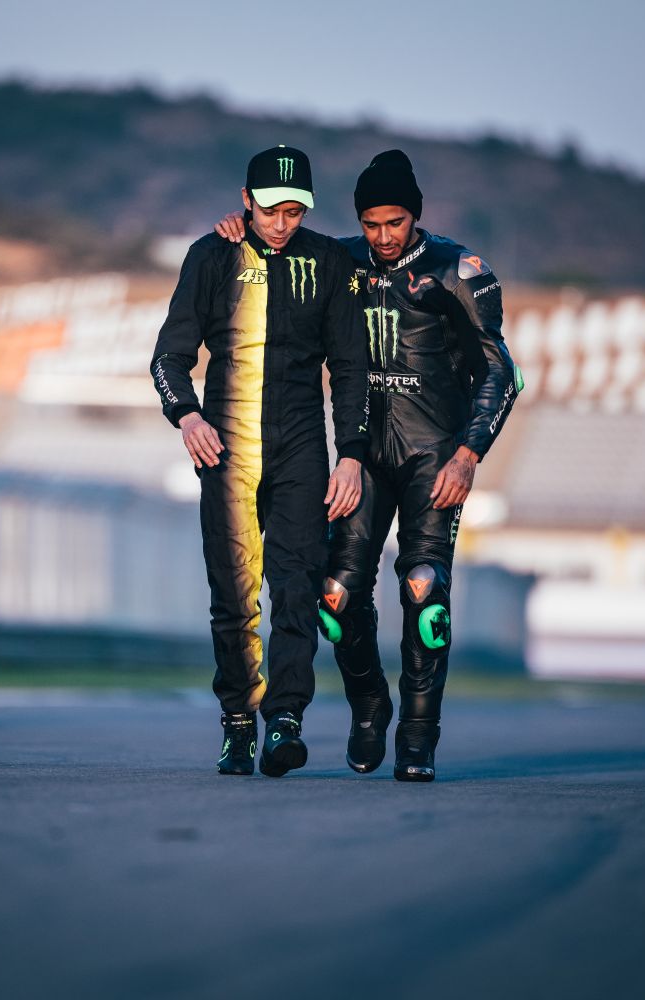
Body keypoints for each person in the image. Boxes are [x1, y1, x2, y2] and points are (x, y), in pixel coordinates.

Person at [215, 150, 523, 781]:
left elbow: (502, 372)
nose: (384, 237)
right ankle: (370, 703)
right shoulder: (341, 259)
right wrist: (237, 230)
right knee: (333, 597)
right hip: (363, 457)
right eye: (372, 224)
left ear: (416, 215)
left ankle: (418, 735)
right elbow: (277, 246)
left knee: (424, 589)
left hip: (435, 457)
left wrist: (469, 455)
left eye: (396, 223)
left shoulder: (459, 271)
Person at [151, 145, 370, 778]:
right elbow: (168, 357)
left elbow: (350, 367)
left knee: (297, 587)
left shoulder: (329, 260)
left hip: (302, 448)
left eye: (294, 211)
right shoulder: (211, 254)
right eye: (270, 210)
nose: (281, 223)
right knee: (234, 592)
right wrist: (187, 416)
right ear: (246, 201)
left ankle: (285, 721)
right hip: (227, 449)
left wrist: (351, 456)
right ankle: (238, 723)